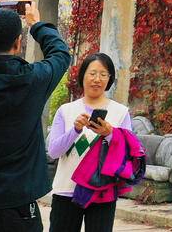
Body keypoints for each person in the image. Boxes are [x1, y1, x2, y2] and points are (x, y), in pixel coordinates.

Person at [0, 0, 70, 232]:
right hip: (20, 207)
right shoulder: (34, 80)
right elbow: (61, 54)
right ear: (18, 43)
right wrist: (36, 24)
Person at [47, 52, 134, 232]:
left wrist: (110, 134)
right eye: (92, 73)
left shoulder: (120, 112)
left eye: (103, 74)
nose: (97, 79)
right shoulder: (66, 110)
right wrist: (75, 130)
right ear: (83, 75)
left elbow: (128, 152)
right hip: (67, 190)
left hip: (102, 191)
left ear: (109, 79)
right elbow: (53, 151)